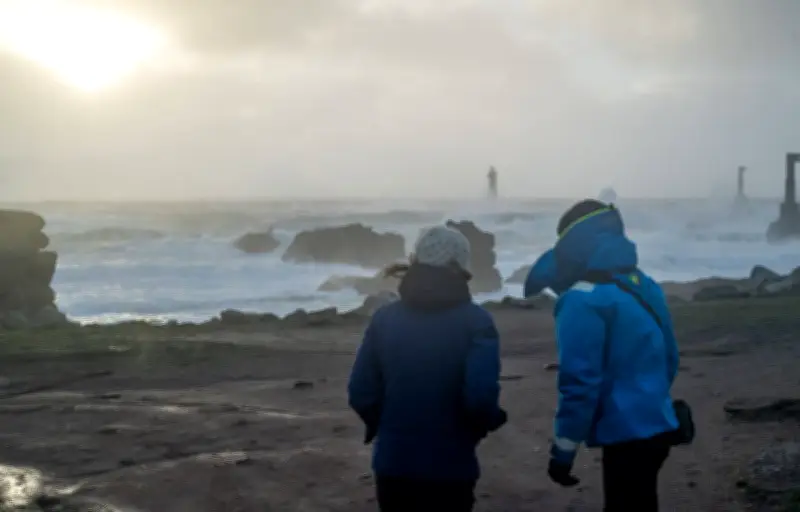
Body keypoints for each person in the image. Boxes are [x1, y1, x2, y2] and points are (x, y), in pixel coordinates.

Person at [524, 199, 681, 512]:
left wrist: (564, 451)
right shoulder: (644, 283)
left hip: (624, 435)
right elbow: (670, 357)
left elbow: (580, 382)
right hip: (661, 425)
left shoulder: (581, 300)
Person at [348, 225, 507, 512]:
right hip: (452, 464)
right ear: (461, 266)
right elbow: (480, 397)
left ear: (415, 260)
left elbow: (360, 393)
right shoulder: (476, 322)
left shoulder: (384, 320)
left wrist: (386, 426)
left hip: (394, 462)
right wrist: (485, 424)